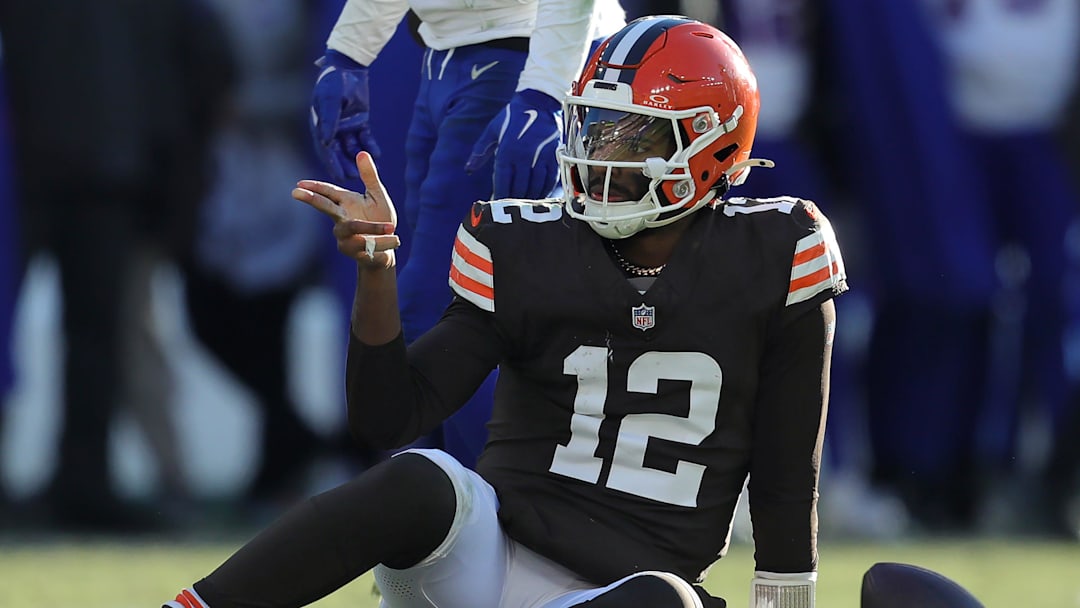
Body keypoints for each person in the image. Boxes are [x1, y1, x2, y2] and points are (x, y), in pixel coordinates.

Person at [163, 16, 847, 608]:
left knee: (664, 598)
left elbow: (789, 479)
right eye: (592, 127)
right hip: (483, 564)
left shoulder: (777, 253)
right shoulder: (526, 240)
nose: (594, 155)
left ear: (711, 143)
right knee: (420, 479)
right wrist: (378, 275)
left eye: (629, 137)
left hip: (621, 592)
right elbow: (390, 416)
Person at [308, 0, 625, 468]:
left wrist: (544, 94)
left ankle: (530, 507)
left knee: (437, 314)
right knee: (450, 319)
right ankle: (448, 520)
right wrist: (348, 54)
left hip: (528, 61)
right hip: (451, 56)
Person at [0, 0, 233, 531]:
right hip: (102, 166)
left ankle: (83, 485)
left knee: (97, 343)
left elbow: (196, 58)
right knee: (96, 341)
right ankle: (84, 487)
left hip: (90, 168)